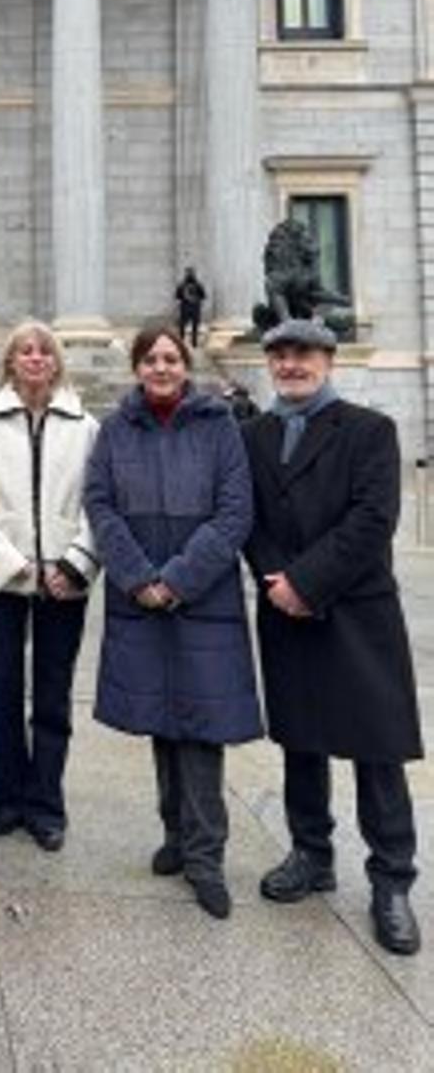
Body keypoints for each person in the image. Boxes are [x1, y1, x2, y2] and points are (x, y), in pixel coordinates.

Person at [243, 317, 424, 956]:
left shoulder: (370, 431)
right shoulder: (254, 435)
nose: (291, 365)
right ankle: (311, 853)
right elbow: (249, 518)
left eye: (304, 356)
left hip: (355, 610)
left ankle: (392, 881)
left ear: (328, 361)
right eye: (281, 356)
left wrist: (305, 582)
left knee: (377, 750)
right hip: (284, 607)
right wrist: (275, 581)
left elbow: (373, 519)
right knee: (301, 740)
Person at [84, 321, 260, 920]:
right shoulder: (114, 431)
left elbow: (235, 513)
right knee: (161, 717)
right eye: (151, 360)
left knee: (202, 726)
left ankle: (206, 855)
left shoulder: (220, 430)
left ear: (185, 367)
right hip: (141, 597)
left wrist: (177, 579)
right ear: (136, 369)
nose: (161, 368)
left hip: (202, 597)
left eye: (171, 359)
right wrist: (139, 578)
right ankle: (176, 835)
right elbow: (100, 505)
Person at [0, 319, 99, 848]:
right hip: (1, 581)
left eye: (44, 352)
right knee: (1, 692)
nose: (35, 359)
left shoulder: (85, 428)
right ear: (9, 363)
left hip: (63, 580)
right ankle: (6, 799)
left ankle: (45, 804)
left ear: (57, 363)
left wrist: (76, 563)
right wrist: (9, 562)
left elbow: (99, 502)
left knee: (53, 697)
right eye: (24, 352)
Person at [174, 266, 207, 348]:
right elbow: (177, 297)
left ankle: (194, 342)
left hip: (194, 308)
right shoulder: (182, 285)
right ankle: (182, 342)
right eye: (188, 273)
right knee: (183, 326)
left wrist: (196, 300)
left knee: (194, 326)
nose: (190, 274)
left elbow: (203, 296)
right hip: (186, 307)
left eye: (191, 273)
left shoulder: (198, 285)